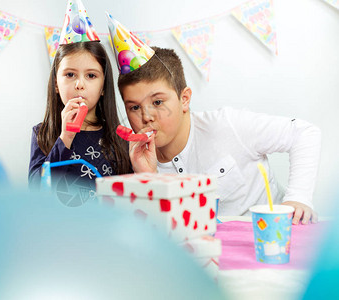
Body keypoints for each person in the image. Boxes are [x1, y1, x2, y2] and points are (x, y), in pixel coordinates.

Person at [116, 46, 321, 224]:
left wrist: (298, 198)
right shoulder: (134, 158)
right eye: (134, 107)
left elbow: (304, 134)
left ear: (184, 99)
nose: (146, 117)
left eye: (158, 102)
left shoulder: (227, 125)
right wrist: (147, 178)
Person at [29, 2, 130, 197]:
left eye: (91, 76)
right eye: (70, 74)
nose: (79, 84)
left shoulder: (119, 138)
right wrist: (65, 138)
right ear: (56, 84)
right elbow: (36, 193)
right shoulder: (42, 134)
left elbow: (133, 196)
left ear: (103, 87)